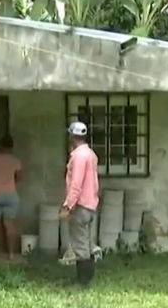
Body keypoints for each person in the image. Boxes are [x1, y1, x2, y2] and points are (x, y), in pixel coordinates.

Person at [60, 121, 99, 288]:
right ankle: (87, 278)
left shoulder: (78, 156)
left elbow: (76, 184)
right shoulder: (91, 154)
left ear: (72, 136)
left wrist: (68, 206)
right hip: (91, 204)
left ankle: (83, 282)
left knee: (80, 244)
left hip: (80, 205)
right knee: (87, 243)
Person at [0, 134, 22, 260]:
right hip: (11, 194)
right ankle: (12, 254)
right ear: (11, 147)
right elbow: (19, 177)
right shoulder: (15, 161)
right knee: (10, 224)